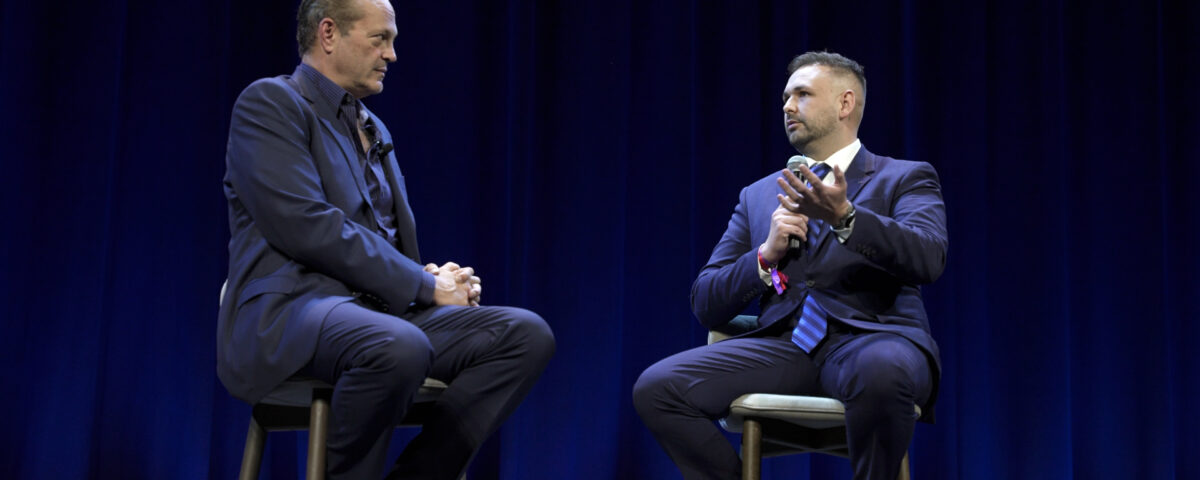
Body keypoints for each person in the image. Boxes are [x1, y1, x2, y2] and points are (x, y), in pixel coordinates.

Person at [217, 0, 555, 478]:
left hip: (380, 316)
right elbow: (307, 225)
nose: (392, 54)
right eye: (380, 39)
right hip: (292, 313)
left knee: (523, 336)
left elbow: (381, 240)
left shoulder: (373, 128)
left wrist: (426, 278)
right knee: (398, 346)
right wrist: (425, 285)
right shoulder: (271, 103)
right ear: (328, 33)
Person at [632, 51, 947, 480]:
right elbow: (706, 301)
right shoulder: (759, 195)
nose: (787, 106)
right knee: (658, 389)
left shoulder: (904, 177)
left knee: (882, 372)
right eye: (785, 97)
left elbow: (928, 256)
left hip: (872, 341)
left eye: (802, 94)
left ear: (845, 103)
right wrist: (765, 255)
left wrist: (846, 217)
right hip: (787, 349)